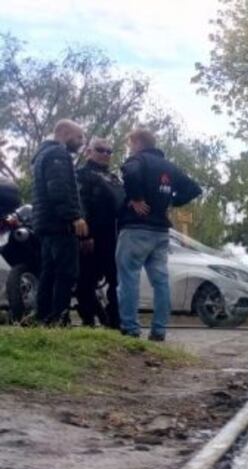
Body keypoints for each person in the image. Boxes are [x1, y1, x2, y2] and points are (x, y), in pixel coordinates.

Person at [118, 128, 202, 341]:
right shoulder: (169, 167)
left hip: (136, 228)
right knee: (161, 281)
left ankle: (130, 327)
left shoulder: (138, 160)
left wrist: (136, 198)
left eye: (130, 144)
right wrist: (171, 202)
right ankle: (159, 330)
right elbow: (194, 188)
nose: (130, 148)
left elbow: (129, 172)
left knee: (129, 277)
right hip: (161, 232)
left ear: (137, 142)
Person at [32, 119, 87, 326]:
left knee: (48, 271)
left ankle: (43, 317)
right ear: (64, 133)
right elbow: (59, 188)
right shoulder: (58, 154)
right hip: (59, 223)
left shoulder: (41, 155)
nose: (81, 141)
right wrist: (75, 216)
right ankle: (59, 318)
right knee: (66, 272)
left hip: (45, 224)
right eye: (79, 136)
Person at [75, 137, 124, 328]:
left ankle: (113, 322)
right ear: (88, 151)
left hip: (116, 238)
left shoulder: (114, 178)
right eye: (100, 150)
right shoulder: (81, 175)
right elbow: (79, 205)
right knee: (85, 280)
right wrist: (85, 235)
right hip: (92, 236)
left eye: (109, 151)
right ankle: (88, 320)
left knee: (116, 281)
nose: (105, 154)